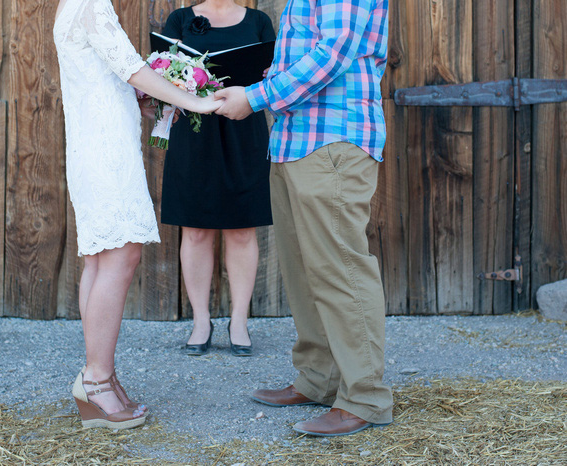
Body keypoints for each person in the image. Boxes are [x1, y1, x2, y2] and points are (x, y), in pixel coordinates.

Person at [215, 0, 393, 437]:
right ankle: (320, 379)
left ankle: (365, 398)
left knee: (339, 271)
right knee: (303, 272)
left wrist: (256, 97)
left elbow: (333, 52)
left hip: (333, 140)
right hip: (297, 141)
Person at [53, 0, 221, 430]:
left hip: (95, 142)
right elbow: (129, 67)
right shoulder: (90, 5)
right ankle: (97, 381)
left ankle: (98, 376)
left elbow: (107, 75)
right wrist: (194, 101)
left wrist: (142, 103)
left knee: (101, 257)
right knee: (120, 256)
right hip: (104, 148)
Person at [160, 0, 276, 357]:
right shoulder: (180, 19)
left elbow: (272, 74)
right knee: (195, 230)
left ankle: (239, 321)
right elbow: (161, 76)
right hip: (194, 135)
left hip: (244, 130)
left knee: (242, 229)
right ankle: (200, 321)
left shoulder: (259, 21)